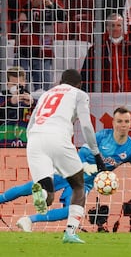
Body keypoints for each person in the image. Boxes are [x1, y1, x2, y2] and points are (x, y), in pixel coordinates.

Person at [9, 106, 131, 232]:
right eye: (119, 121)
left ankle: (29, 220)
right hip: (69, 172)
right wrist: (83, 165)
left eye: (126, 121)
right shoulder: (103, 136)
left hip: (85, 184)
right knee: (28, 188)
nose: (123, 125)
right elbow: (84, 151)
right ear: (114, 123)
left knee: (70, 211)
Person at [25, 69, 105, 243]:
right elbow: (86, 126)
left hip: (34, 140)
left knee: (48, 195)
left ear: (60, 81)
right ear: (80, 84)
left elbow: (30, 124)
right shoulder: (79, 94)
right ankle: (70, 233)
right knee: (78, 185)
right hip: (58, 137)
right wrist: (96, 153)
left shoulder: (46, 94)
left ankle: (43, 196)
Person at [80, 13, 131, 92]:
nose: (115, 28)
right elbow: (85, 76)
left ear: (123, 27)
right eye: (112, 25)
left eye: (118, 25)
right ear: (107, 28)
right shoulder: (95, 50)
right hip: (104, 96)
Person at [16, 0, 67, 92]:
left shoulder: (54, 3)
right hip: (25, 48)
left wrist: (51, 6)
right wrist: (32, 5)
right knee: (21, 84)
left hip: (44, 49)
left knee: (43, 87)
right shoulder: (25, 0)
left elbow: (63, 17)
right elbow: (20, 19)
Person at [0, 67, 35, 147]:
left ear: (24, 83)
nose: (17, 88)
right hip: (3, 145)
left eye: (19, 85)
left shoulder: (32, 101)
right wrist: (10, 103)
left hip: (26, 145)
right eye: (14, 85)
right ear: (7, 84)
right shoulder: (2, 99)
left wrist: (32, 105)